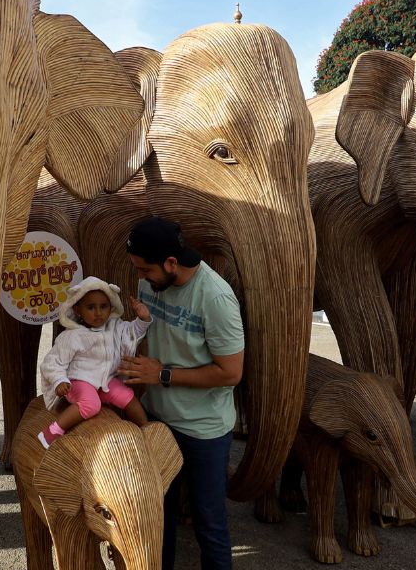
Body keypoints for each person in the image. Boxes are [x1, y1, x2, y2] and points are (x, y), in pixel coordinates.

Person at [119, 217, 244, 570]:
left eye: (145, 269)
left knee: (210, 525)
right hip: (158, 418)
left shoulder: (215, 297)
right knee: (159, 518)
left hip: (204, 430)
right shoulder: (150, 286)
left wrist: (162, 374)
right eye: (137, 269)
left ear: (172, 263)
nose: (141, 277)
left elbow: (231, 372)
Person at [37, 276, 151, 448]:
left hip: (105, 381)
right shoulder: (73, 336)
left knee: (128, 397)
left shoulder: (114, 327)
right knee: (91, 405)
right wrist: (59, 380)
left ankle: (147, 431)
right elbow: (53, 362)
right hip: (79, 381)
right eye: (91, 307)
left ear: (111, 307)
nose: (98, 312)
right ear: (78, 309)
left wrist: (142, 319)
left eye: (103, 306)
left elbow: (131, 334)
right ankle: (52, 431)